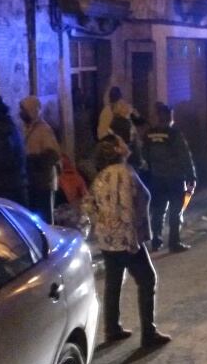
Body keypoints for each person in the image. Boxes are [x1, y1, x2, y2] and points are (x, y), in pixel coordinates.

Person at [84, 135, 170, 347]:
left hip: (107, 240)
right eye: (121, 143)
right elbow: (127, 208)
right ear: (116, 150)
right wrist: (132, 237)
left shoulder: (100, 176)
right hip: (126, 237)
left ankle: (112, 329)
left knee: (113, 282)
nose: (126, 145)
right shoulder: (124, 173)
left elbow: (87, 205)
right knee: (147, 279)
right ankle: (148, 333)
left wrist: (101, 225)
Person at [143, 103, 197, 252]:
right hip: (175, 177)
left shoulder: (149, 134)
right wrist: (191, 174)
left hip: (157, 177)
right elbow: (184, 155)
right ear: (168, 117)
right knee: (176, 209)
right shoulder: (174, 134)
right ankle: (174, 242)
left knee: (158, 210)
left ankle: (156, 241)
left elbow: (144, 156)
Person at [20, 96, 61, 223]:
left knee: (44, 218)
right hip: (30, 180)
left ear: (31, 111)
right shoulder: (26, 128)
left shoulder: (44, 130)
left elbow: (53, 154)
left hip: (43, 181)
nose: (21, 113)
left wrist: (33, 160)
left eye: (24, 110)